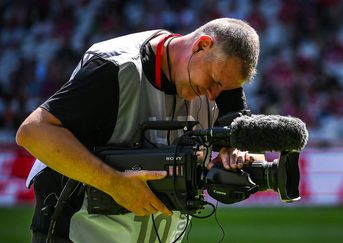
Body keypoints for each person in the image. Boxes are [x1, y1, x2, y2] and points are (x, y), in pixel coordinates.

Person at [16, 18, 260, 243]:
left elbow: (247, 147)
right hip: (76, 229)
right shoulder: (115, 68)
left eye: (225, 88)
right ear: (201, 46)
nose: (214, 95)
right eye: (215, 81)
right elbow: (33, 132)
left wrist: (236, 151)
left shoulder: (223, 80)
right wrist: (113, 183)